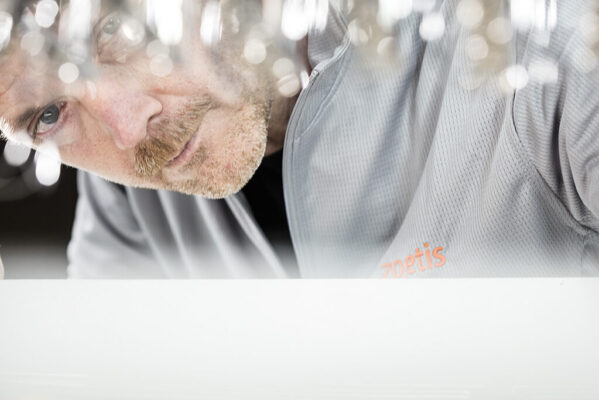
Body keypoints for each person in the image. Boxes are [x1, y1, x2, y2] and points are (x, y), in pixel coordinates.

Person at [0, 0, 598, 278]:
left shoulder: (547, 49)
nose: (130, 131)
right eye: (49, 114)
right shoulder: (129, 202)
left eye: (118, 28)